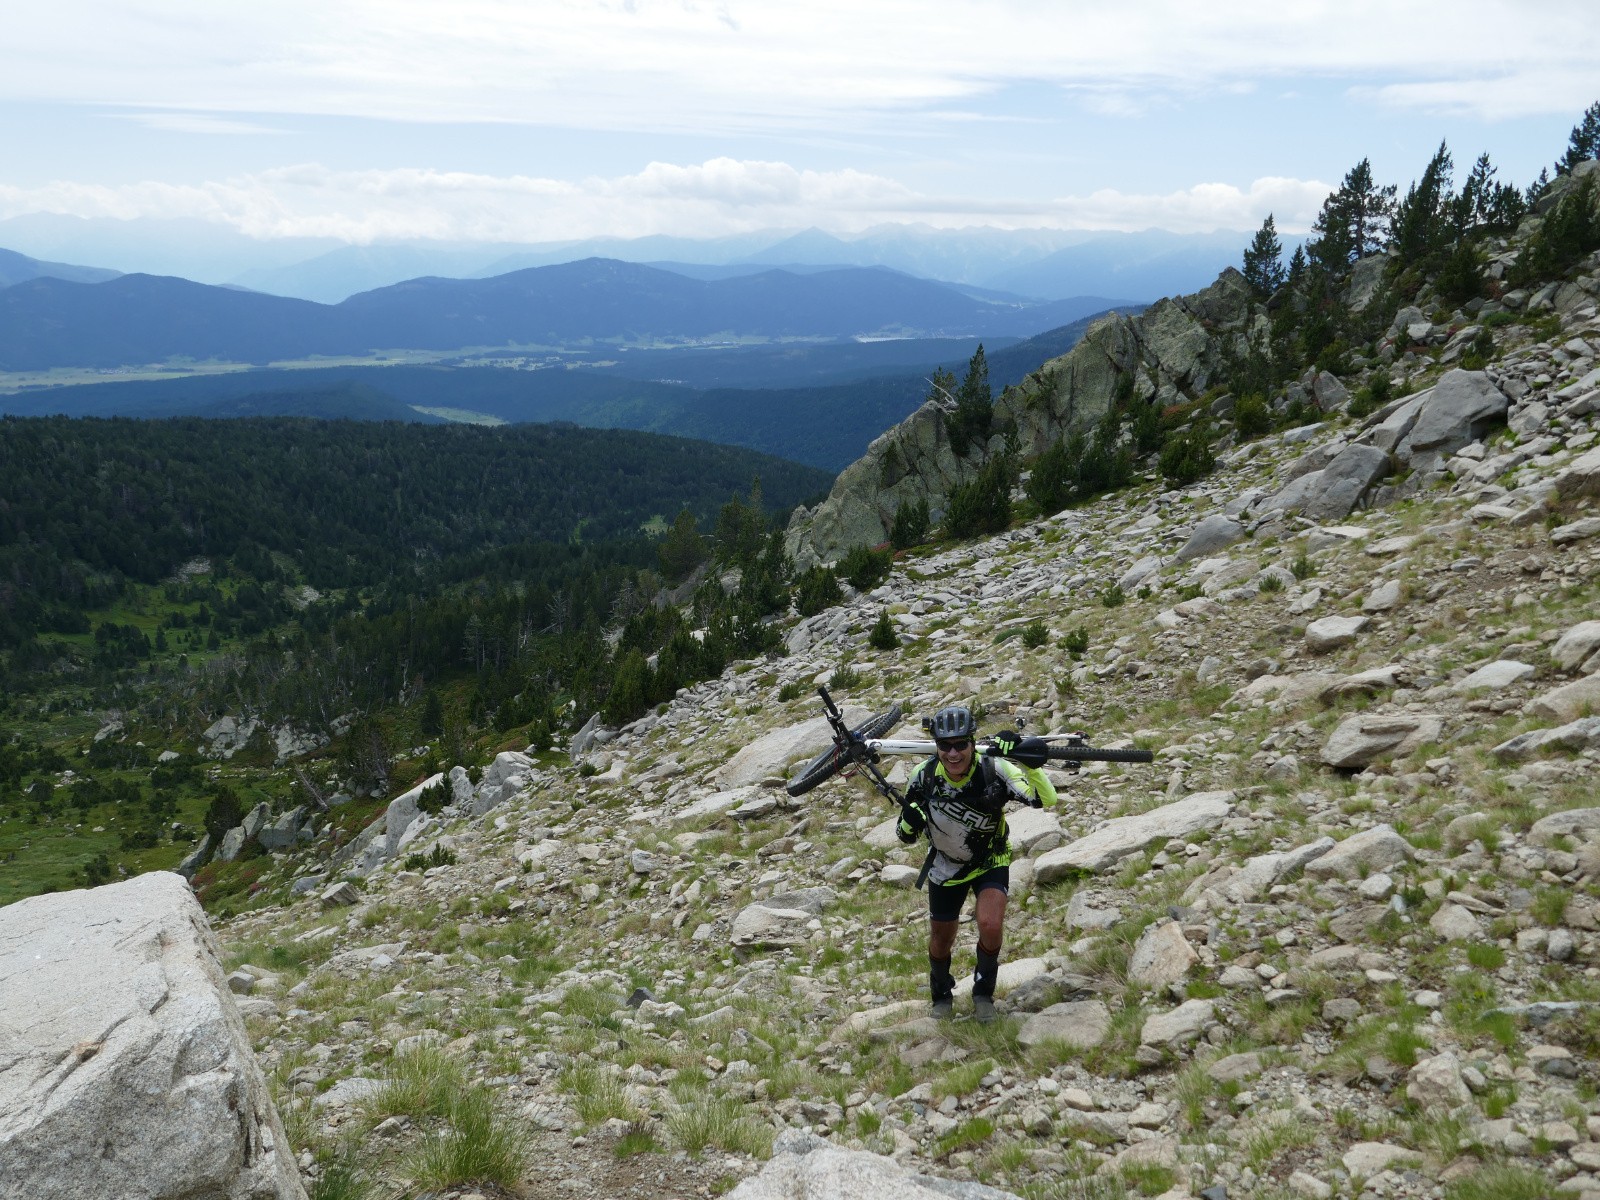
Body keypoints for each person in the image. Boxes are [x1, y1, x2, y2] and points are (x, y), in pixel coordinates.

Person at [896, 704, 1057, 1022]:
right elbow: (904, 836)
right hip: (945, 867)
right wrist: (910, 822)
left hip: (990, 860)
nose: (953, 753)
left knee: (990, 925)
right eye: (945, 745)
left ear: (972, 742)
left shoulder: (993, 769)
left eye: (960, 745)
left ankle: (983, 994)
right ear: (936, 746)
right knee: (942, 939)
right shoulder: (924, 776)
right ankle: (941, 993)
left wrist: (1027, 762)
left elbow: (1046, 799)